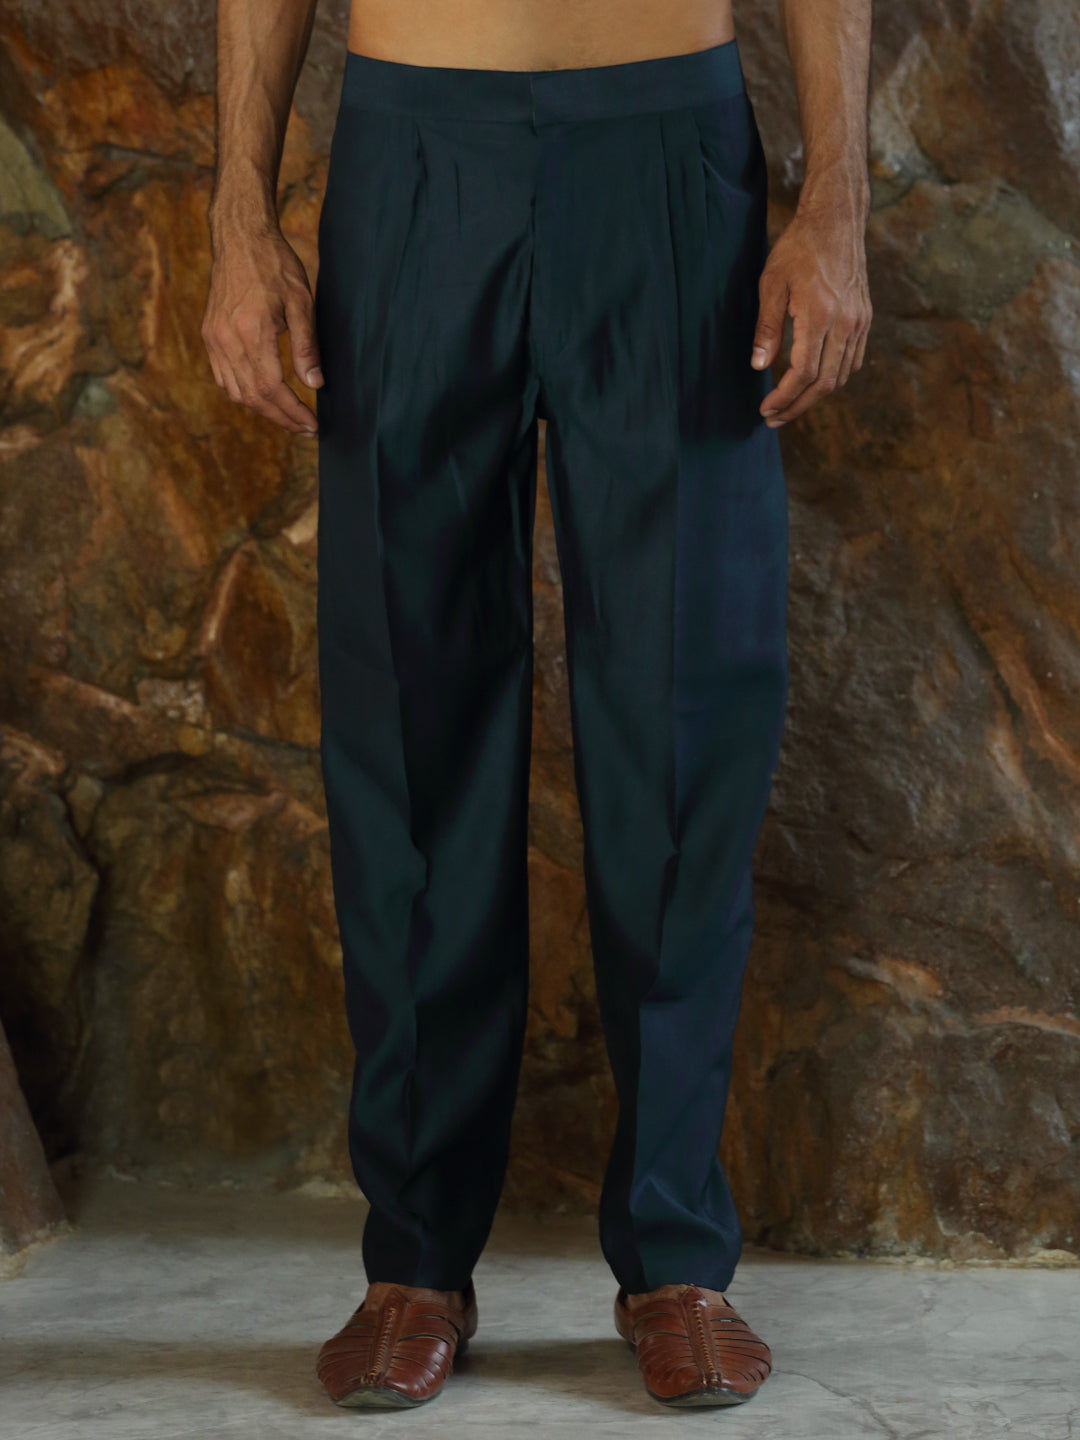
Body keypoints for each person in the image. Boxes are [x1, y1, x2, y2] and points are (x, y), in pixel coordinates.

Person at [202, 0, 872, 1411]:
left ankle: (677, 1257)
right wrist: (238, 216)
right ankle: (415, 1260)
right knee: (410, 719)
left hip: (669, 149)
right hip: (413, 151)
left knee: (688, 712)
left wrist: (837, 202)